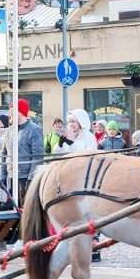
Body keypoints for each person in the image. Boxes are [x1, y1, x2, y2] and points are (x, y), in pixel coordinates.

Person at [53, 108, 100, 261]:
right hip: (69, 177)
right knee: (73, 214)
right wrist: (61, 144)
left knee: (87, 213)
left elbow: (86, 155)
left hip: (85, 178)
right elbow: (56, 155)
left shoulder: (89, 137)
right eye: (69, 122)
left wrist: (71, 143)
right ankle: (74, 244)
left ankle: (93, 246)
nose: (71, 124)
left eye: (73, 121)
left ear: (80, 122)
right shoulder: (70, 135)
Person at [1, 98, 44, 209]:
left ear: (19, 112)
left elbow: (37, 157)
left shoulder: (35, 130)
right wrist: (2, 176)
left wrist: (31, 179)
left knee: (26, 210)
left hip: (25, 178)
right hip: (11, 177)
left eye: (12, 110)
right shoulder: (8, 131)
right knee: (11, 211)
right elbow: (4, 154)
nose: (9, 113)